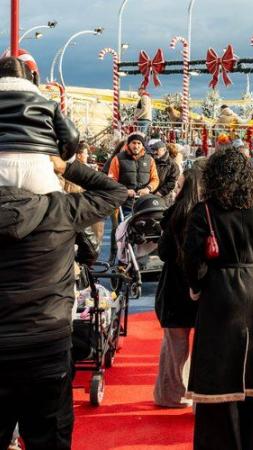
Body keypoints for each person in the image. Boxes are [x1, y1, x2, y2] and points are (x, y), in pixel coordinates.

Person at [0, 156, 127, 450]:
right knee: (50, 437)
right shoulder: (60, 210)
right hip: (46, 343)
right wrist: (68, 166)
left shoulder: (60, 209)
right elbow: (115, 192)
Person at [182, 149, 253, 450]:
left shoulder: (204, 210)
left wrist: (198, 287)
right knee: (251, 378)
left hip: (219, 292)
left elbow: (193, 261)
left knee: (216, 379)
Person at [153, 163, 205, 409]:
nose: (175, 189)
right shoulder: (208, 216)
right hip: (201, 288)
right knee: (201, 347)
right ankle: (194, 395)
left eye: (179, 185)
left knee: (175, 347)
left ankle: (170, 394)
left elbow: (163, 253)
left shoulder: (174, 216)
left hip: (174, 287)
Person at [0, 56, 80, 192]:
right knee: (54, 209)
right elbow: (72, 136)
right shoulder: (48, 104)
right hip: (38, 164)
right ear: (31, 79)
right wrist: (59, 156)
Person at [107, 133, 159, 215]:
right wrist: (126, 191)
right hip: (124, 203)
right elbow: (111, 181)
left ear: (143, 145)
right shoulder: (118, 158)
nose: (136, 146)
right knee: (123, 227)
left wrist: (148, 189)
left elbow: (155, 179)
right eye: (133, 143)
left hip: (144, 202)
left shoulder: (150, 160)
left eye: (139, 143)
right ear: (128, 144)